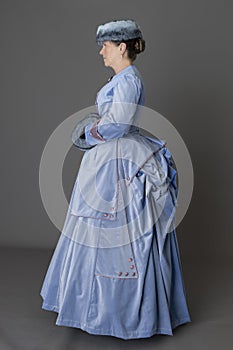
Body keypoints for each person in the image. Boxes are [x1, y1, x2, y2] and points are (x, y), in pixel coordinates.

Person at [40, 19, 191, 340]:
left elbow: (118, 125)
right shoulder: (122, 79)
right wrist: (97, 124)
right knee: (97, 226)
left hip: (118, 160)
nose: (101, 52)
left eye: (106, 46)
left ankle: (117, 313)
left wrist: (87, 131)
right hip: (111, 157)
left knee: (116, 226)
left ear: (122, 46)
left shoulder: (128, 80)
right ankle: (92, 307)